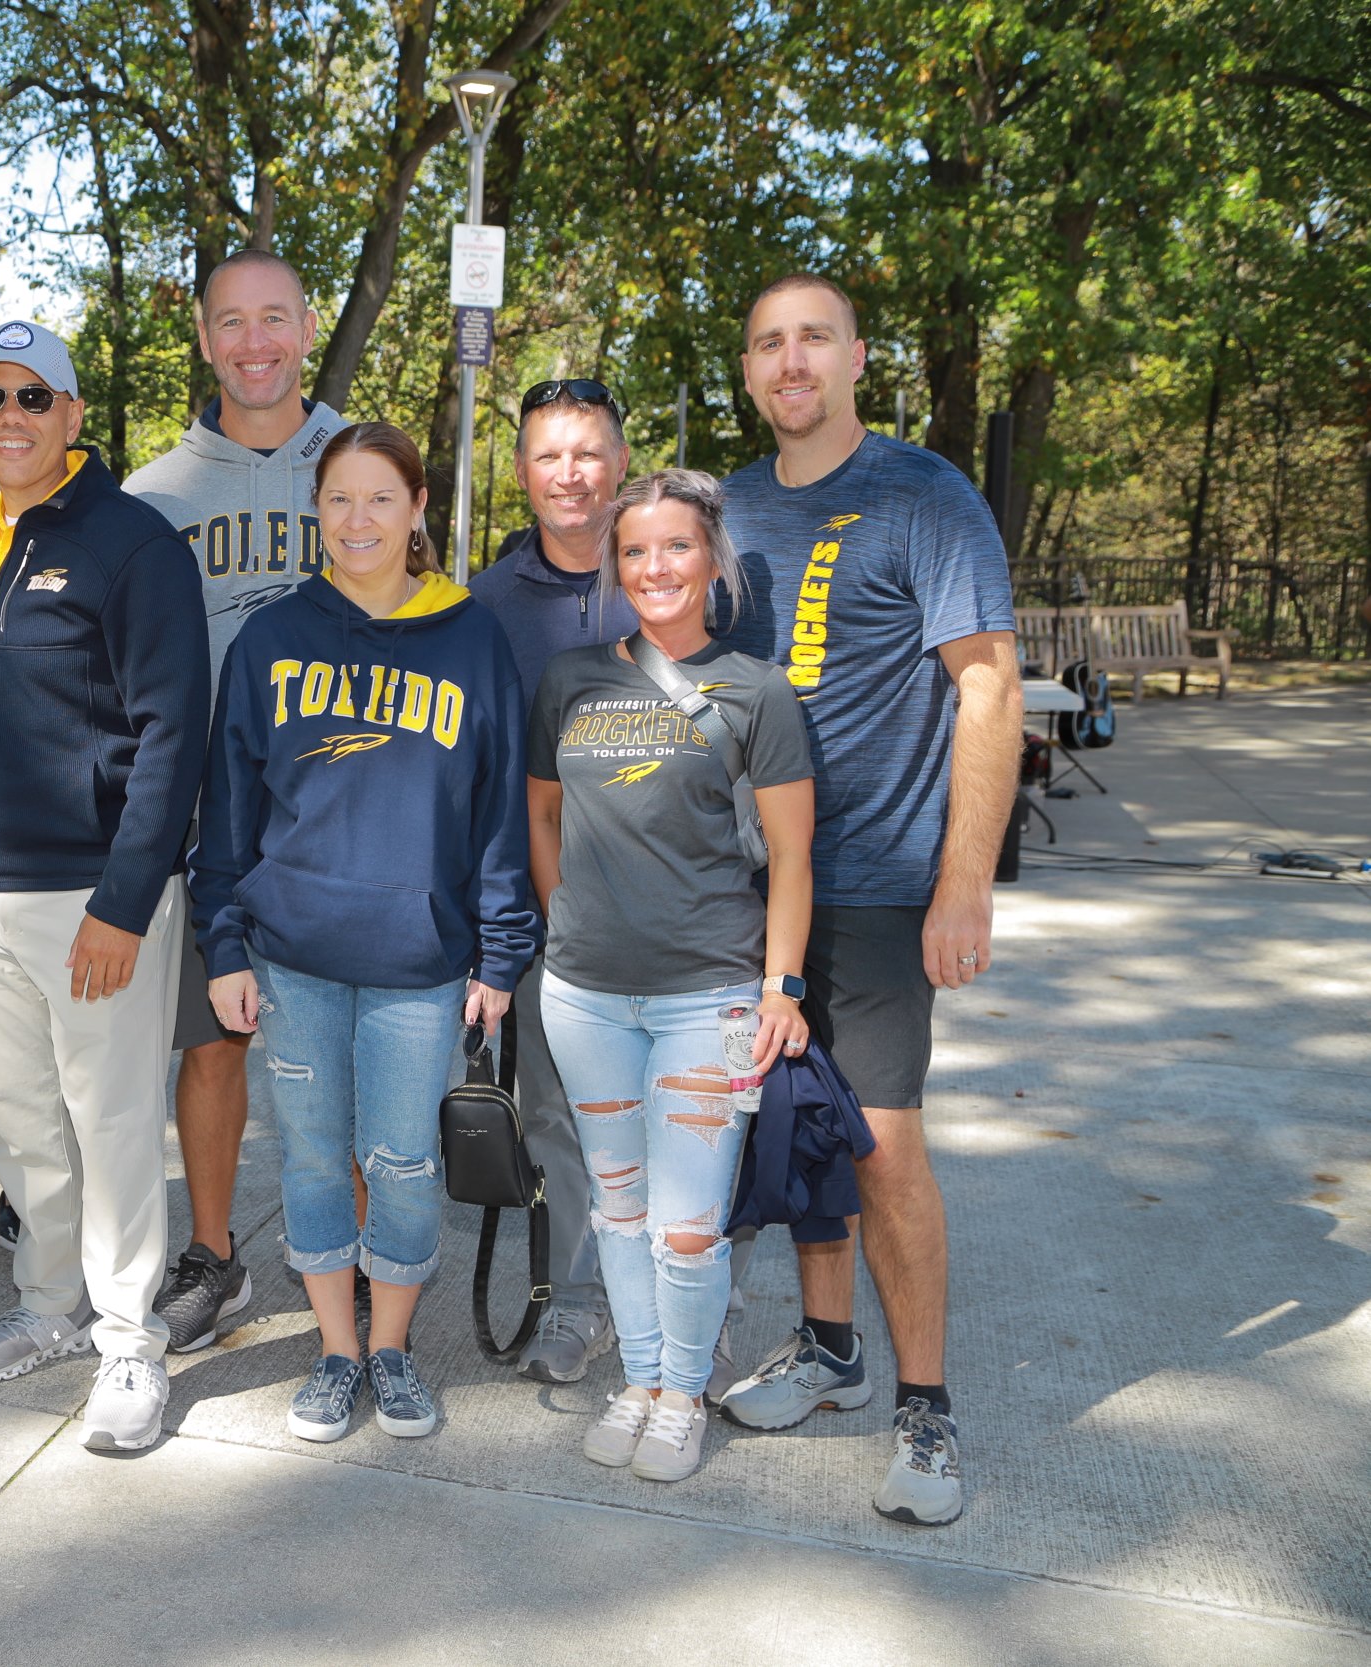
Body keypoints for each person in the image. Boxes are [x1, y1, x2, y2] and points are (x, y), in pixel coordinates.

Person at [711, 273, 1021, 1526]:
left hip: (886, 885)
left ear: (854, 359)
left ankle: (928, 1409)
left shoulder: (924, 495)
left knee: (885, 1147)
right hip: (751, 886)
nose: (792, 362)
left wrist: (963, 884)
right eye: (769, 343)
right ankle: (830, 1350)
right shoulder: (725, 507)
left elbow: (987, 687)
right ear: (748, 371)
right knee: (795, 1126)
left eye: (814, 340)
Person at [194, 421, 536, 1443]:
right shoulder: (271, 636)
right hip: (293, 955)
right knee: (308, 1158)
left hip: (418, 959)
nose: (357, 520)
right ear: (315, 508)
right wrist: (222, 944)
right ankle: (334, 1351)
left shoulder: (471, 637)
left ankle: (390, 1347)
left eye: (379, 498)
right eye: (338, 498)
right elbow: (227, 809)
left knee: (401, 1161)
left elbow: (498, 812)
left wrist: (501, 951)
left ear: (417, 507)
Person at [0, 321, 208, 1452]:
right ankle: (49, 1307)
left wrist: (124, 900)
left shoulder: (132, 543)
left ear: (74, 416)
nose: (10, 415)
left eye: (33, 397)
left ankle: (132, 1345)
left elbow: (171, 734)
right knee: (20, 1123)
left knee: (114, 1124)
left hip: (92, 894)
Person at [528, 468, 816, 1485]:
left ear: (710, 561)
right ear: (615, 565)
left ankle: (684, 1389)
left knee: (688, 1226)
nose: (655, 566)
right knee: (618, 1209)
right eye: (636, 550)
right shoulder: (569, 678)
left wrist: (781, 986)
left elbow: (790, 856)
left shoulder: (756, 688)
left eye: (675, 547)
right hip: (585, 995)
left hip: (710, 995)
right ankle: (641, 1381)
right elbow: (544, 818)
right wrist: (576, 924)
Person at [123, 248, 348, 1353]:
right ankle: (214, 1251)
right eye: (231, 323)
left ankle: (347, 1259)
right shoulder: (152, 494)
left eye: (274, 318)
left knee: (341, 1048)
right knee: (209, 1044)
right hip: (211, 819)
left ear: (306, 327)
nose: (254, 342)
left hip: (344, 816)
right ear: (205, 341)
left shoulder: (360, 465)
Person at [464, 377, 639, 1388]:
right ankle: (576, 1303)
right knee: (559, 1116)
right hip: (545, 911)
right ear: (521, 472)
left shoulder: (670, 572)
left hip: (676, 906)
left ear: (618, 460)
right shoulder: (485, 603)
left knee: (683, 1112)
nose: (568, 473)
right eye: (546, 455)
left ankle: (681, 1305)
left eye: (586, 452)